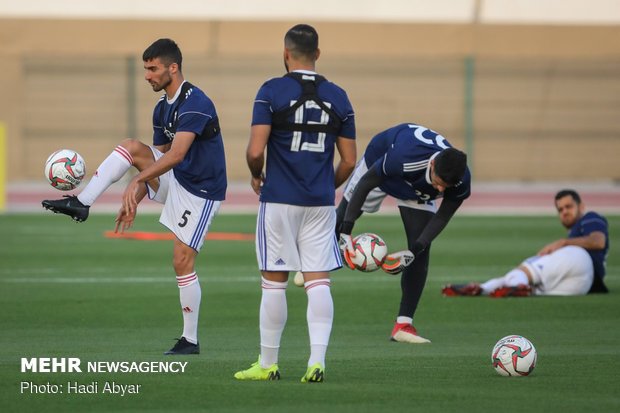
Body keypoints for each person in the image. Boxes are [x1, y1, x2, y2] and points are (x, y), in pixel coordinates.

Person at [42, 38, 227, 355]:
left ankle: (190, 341)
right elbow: (160, 158)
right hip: (178, 178)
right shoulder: (161, 108)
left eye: (152, 69)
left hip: (202, 190)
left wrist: (136, 181)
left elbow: (178, 154)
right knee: (131, 147)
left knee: (181, 261)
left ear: (173, 67)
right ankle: (82, 203)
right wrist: (135, 197)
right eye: (145, 69)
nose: (147, 75)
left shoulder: (196, 102)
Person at [234, 24, 356, 383]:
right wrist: (324, 186)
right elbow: (349, 160)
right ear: (318, 54)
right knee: (318, 282)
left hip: (279, 200)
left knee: (274, 282)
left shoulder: (271, 90)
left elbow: (256, 150)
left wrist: (257, 175)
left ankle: (268, 364)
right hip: (320, 203)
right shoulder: (339, 96)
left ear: (286, 54)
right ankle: (317, 362)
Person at [337, 122, 470, 344]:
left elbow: (442, 217)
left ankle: (403, 325)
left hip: (417, 188)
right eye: (439, 183)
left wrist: (413, 251)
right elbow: (366, 184)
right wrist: (346, 231)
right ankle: (312, 266)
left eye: (446, 187)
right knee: (339, 221)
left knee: (421, 249)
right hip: (381, 165)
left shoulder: (460, 181)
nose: (440, 190)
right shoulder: (404, 157)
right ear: (434, 163)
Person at [442, 189, 609, 297]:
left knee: (527, 269)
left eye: (569, 207)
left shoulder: (590, 217)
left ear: (581, 206)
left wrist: (563, 242)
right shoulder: (575, 232)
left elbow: (598, 241)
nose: (564, 212)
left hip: (582, 262)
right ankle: (485, 288)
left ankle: (490, 287)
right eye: (560, 210)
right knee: (534, 289)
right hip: (583, 286)